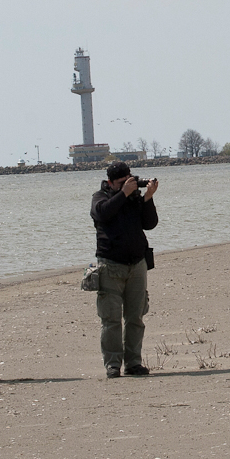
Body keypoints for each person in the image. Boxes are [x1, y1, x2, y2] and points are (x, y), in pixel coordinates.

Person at [90, 161, 159, 379]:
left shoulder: (134, 197)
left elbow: (149, 223)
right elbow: (103, 214)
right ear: (110, 182)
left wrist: (148, 197)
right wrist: (123, 193)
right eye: (121, 183)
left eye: (128, 181)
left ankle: (133, 363)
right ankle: (113, 364)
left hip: (137, 264)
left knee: (135, 317)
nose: (127, 185)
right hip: (110, 266)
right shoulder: (100, 198)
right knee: (111, 320)